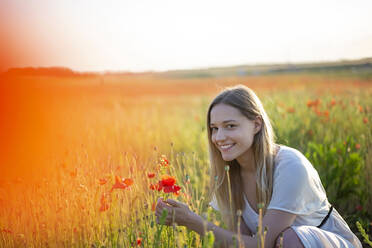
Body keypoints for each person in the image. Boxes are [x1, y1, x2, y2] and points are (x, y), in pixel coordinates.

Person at [155, 85, 362, 248]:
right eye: (214, 128)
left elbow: (262, 244)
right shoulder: (228, 174)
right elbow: (242, 242)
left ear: (256, 124)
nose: (218, 137)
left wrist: (193, 221)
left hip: (328, 244)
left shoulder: (291, 166)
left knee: (289, 238)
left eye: (230, 126)